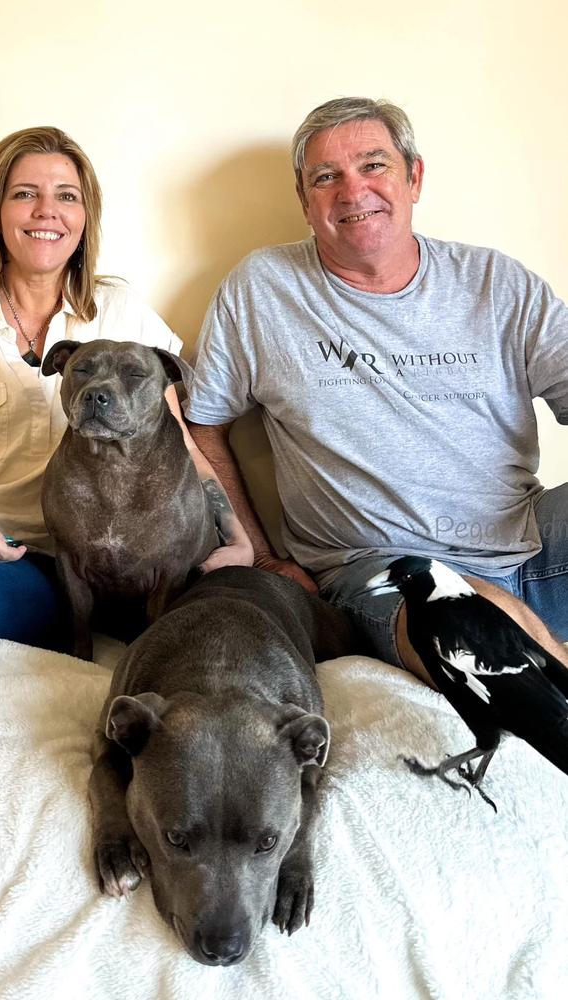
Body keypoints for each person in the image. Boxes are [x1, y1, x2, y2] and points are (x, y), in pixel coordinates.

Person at [184, 96, 568, 685]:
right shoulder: (261, 290)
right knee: (462, 623)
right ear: (304, 201)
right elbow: (203, 425)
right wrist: (260, 556)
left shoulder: (497, 282)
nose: (351, 190)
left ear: (414, 177)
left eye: (373, 165)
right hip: (382, 573)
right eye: (325, 177)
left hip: (532, 546)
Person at [0, 126, 252, 650]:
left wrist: (240, 541)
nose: (46, 211)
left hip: (35, 557)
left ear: (84, 218)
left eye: (66, 197)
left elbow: (180, 442)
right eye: (24, 194)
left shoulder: (122, 312)